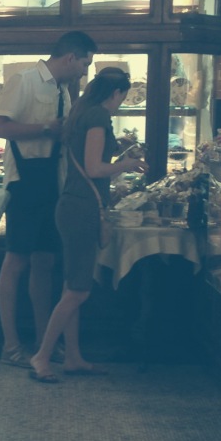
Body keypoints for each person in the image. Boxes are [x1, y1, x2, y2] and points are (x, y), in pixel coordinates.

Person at [28, 66, 145, 384]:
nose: (121, 103)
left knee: (72, 286)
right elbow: (94, 168)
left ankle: (73, 357)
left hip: (72, 205)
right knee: (78, 291)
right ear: (117, 93)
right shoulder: (98, 117)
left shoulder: (83, 112)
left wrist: (116, 155)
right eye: (123, 97)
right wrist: (127, 164)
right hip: (82, 209)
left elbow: (86, 159)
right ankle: (42, 356)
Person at [0, 30, 95, 368]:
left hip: (53, 182)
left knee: (46, 263)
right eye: (84, 64)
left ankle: (42, 343)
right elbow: (0, 129)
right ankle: (9, 345)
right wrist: (48, 128)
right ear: (70, 57)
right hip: (25, 183)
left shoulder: (63, 90)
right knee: (16, 260)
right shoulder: (24, 81)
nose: (84, 72)